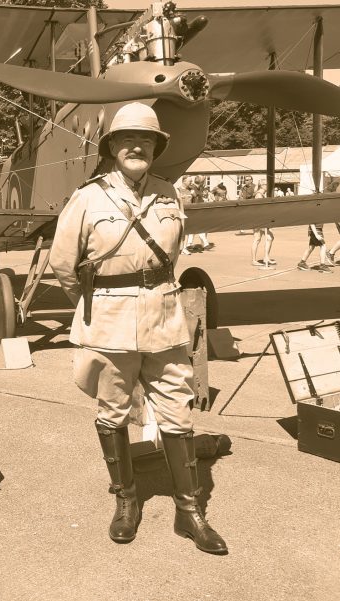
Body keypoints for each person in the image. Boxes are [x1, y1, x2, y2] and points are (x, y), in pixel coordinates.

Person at [50, 103, 227, 555]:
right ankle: (126, 501)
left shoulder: (170, 195)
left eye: (145, 139)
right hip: (108, 321)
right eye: (126, 138)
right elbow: (63, 265)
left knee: (178, 413)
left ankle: (189, 513)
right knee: (112, 413)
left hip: (164, 319)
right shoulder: (87, 198)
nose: (136, 146)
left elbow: (175, 253)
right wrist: (98, 304)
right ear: (111, 147)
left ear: (156, 147)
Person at [250, 181, 276, 268]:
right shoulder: (259, 195)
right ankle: (254, 260)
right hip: (259, 220)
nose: (268, 187)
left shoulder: (261, 194)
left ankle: (266, 257)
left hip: (262, 220)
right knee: (257, 239)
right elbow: (259, 209)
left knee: (269, 238)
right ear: (263, 186)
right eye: (267, 185)